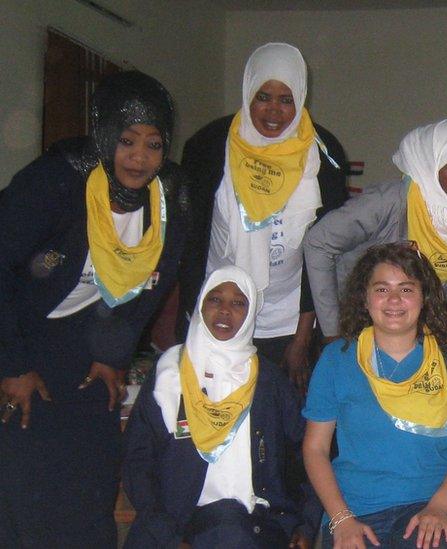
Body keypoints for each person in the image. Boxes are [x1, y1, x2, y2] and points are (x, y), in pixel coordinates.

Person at [0, 71, 187, 546]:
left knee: (92, 471)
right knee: (26, 474)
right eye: (126, 141)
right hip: (17, 327)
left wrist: (113, 354)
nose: (139, 157)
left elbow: (152, 285)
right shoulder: (57, 179)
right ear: (104, 135)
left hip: (85, 337)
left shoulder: (171, 196)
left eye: (153, 144)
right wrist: (13, 365)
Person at [180, 42, 348, 390]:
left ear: (301, 98)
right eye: (263, 96)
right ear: (247, 92)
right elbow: (190, 238)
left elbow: (325, 254)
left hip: (290, 321)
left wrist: (303, 338)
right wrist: (189, 312)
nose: (274, 110)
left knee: (285, 425)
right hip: (218, 313)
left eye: (286, 99)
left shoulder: (324, 157)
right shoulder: (210, 146)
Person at [302, 243, 447, 548]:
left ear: (424, 297)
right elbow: (315, 448)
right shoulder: (337, 358)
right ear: (365, 297)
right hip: (354, 510)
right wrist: (341, 519)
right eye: (382, 289)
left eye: (407, 288)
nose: (395, 300)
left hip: (429, 504)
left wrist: (439, 506)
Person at [123, 266, 311, 548]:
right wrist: (167, 535)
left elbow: (305, 452)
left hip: (251, 520)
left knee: (230, 532)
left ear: (251, 314)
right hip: (173, 520)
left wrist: (304, 525)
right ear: (200, 305)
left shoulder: (268, 381)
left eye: (238, 303)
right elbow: (138, 459)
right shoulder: (169, 373)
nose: (225, 311)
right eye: (215, 299)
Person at [304, 120, 447, 344]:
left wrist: (441, 325)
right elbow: (318, 242)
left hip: (415, 327)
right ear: (429, 163)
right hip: (362, 323)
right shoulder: (388, 201)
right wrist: (332, 329)